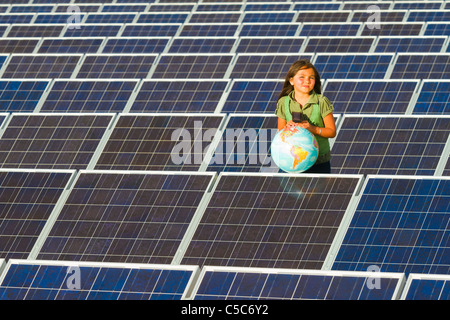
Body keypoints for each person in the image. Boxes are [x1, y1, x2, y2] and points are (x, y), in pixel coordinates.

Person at [275, 59, 336, 173]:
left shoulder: (322, 101)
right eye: (301, 77)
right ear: (291, 80)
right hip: (291, 161)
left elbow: (332, 131)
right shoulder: (283, 102)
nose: (307, 81)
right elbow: (280, 131)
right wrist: (287, 128)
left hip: (319, 162)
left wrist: (313, 129)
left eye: (311, 78)